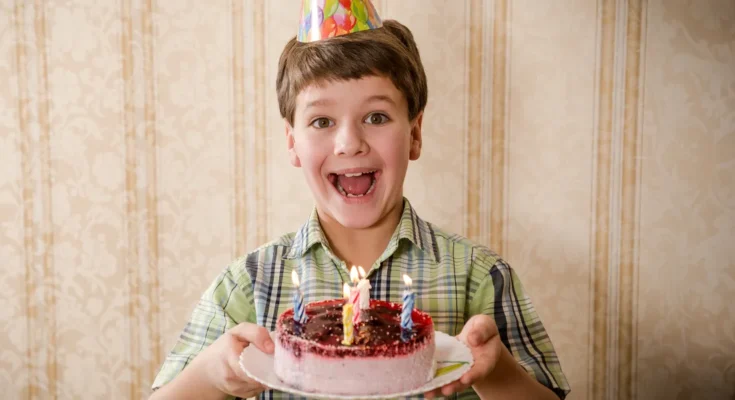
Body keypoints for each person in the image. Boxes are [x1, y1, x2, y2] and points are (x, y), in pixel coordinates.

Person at [150, 1, 570, 399]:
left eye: (376, 117)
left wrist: (496, 371)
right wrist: (210, 374)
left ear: (416, 133)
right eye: (322, 121)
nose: (349, 143)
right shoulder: (249, 285)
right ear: (292, 142)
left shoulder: (479, 279)